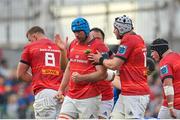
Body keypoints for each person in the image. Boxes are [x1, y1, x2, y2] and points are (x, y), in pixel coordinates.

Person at [88, 15, 150, 119]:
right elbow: (121, 60)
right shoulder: (137, 38)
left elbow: (114, 65)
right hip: (128, 93)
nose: (113, 31)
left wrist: (100, 59)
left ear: (121, 29)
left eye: (115, 28)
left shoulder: (128, 40)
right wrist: (107, 51)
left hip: (134, 94)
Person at [56, 17, 109, 119]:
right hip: (71, 96)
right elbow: (68, 68)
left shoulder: (99, 46)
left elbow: (102, 74)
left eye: (79, 32)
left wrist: (82, 78)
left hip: (89, 98)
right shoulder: (73, 43)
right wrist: (61, 89)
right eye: (74, 32)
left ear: (86, 30)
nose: (76, 35)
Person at [16, 26, 66, 119]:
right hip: (61, 94)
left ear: (34, 36)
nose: (29, 42)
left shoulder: (30, 47)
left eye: (30, 39)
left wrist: (39, 78)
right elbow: (66, 69)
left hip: (44, 93)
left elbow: (20, 74)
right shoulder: (59, 45)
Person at [150, 38, 180, 119]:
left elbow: (168, 85)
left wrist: (170, 107)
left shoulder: (164, 62)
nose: (151, 55)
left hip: (174, 105)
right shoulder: (178, 56)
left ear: (159, 50)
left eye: (152, 51)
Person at [90, 27, 114, 119]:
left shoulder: (110, 56)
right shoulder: (83, 53)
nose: (95, 42)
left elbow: (117, 68)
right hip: (88, 97)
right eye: (93, 38)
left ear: (103, 41)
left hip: (105, 97)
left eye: (98, 39)